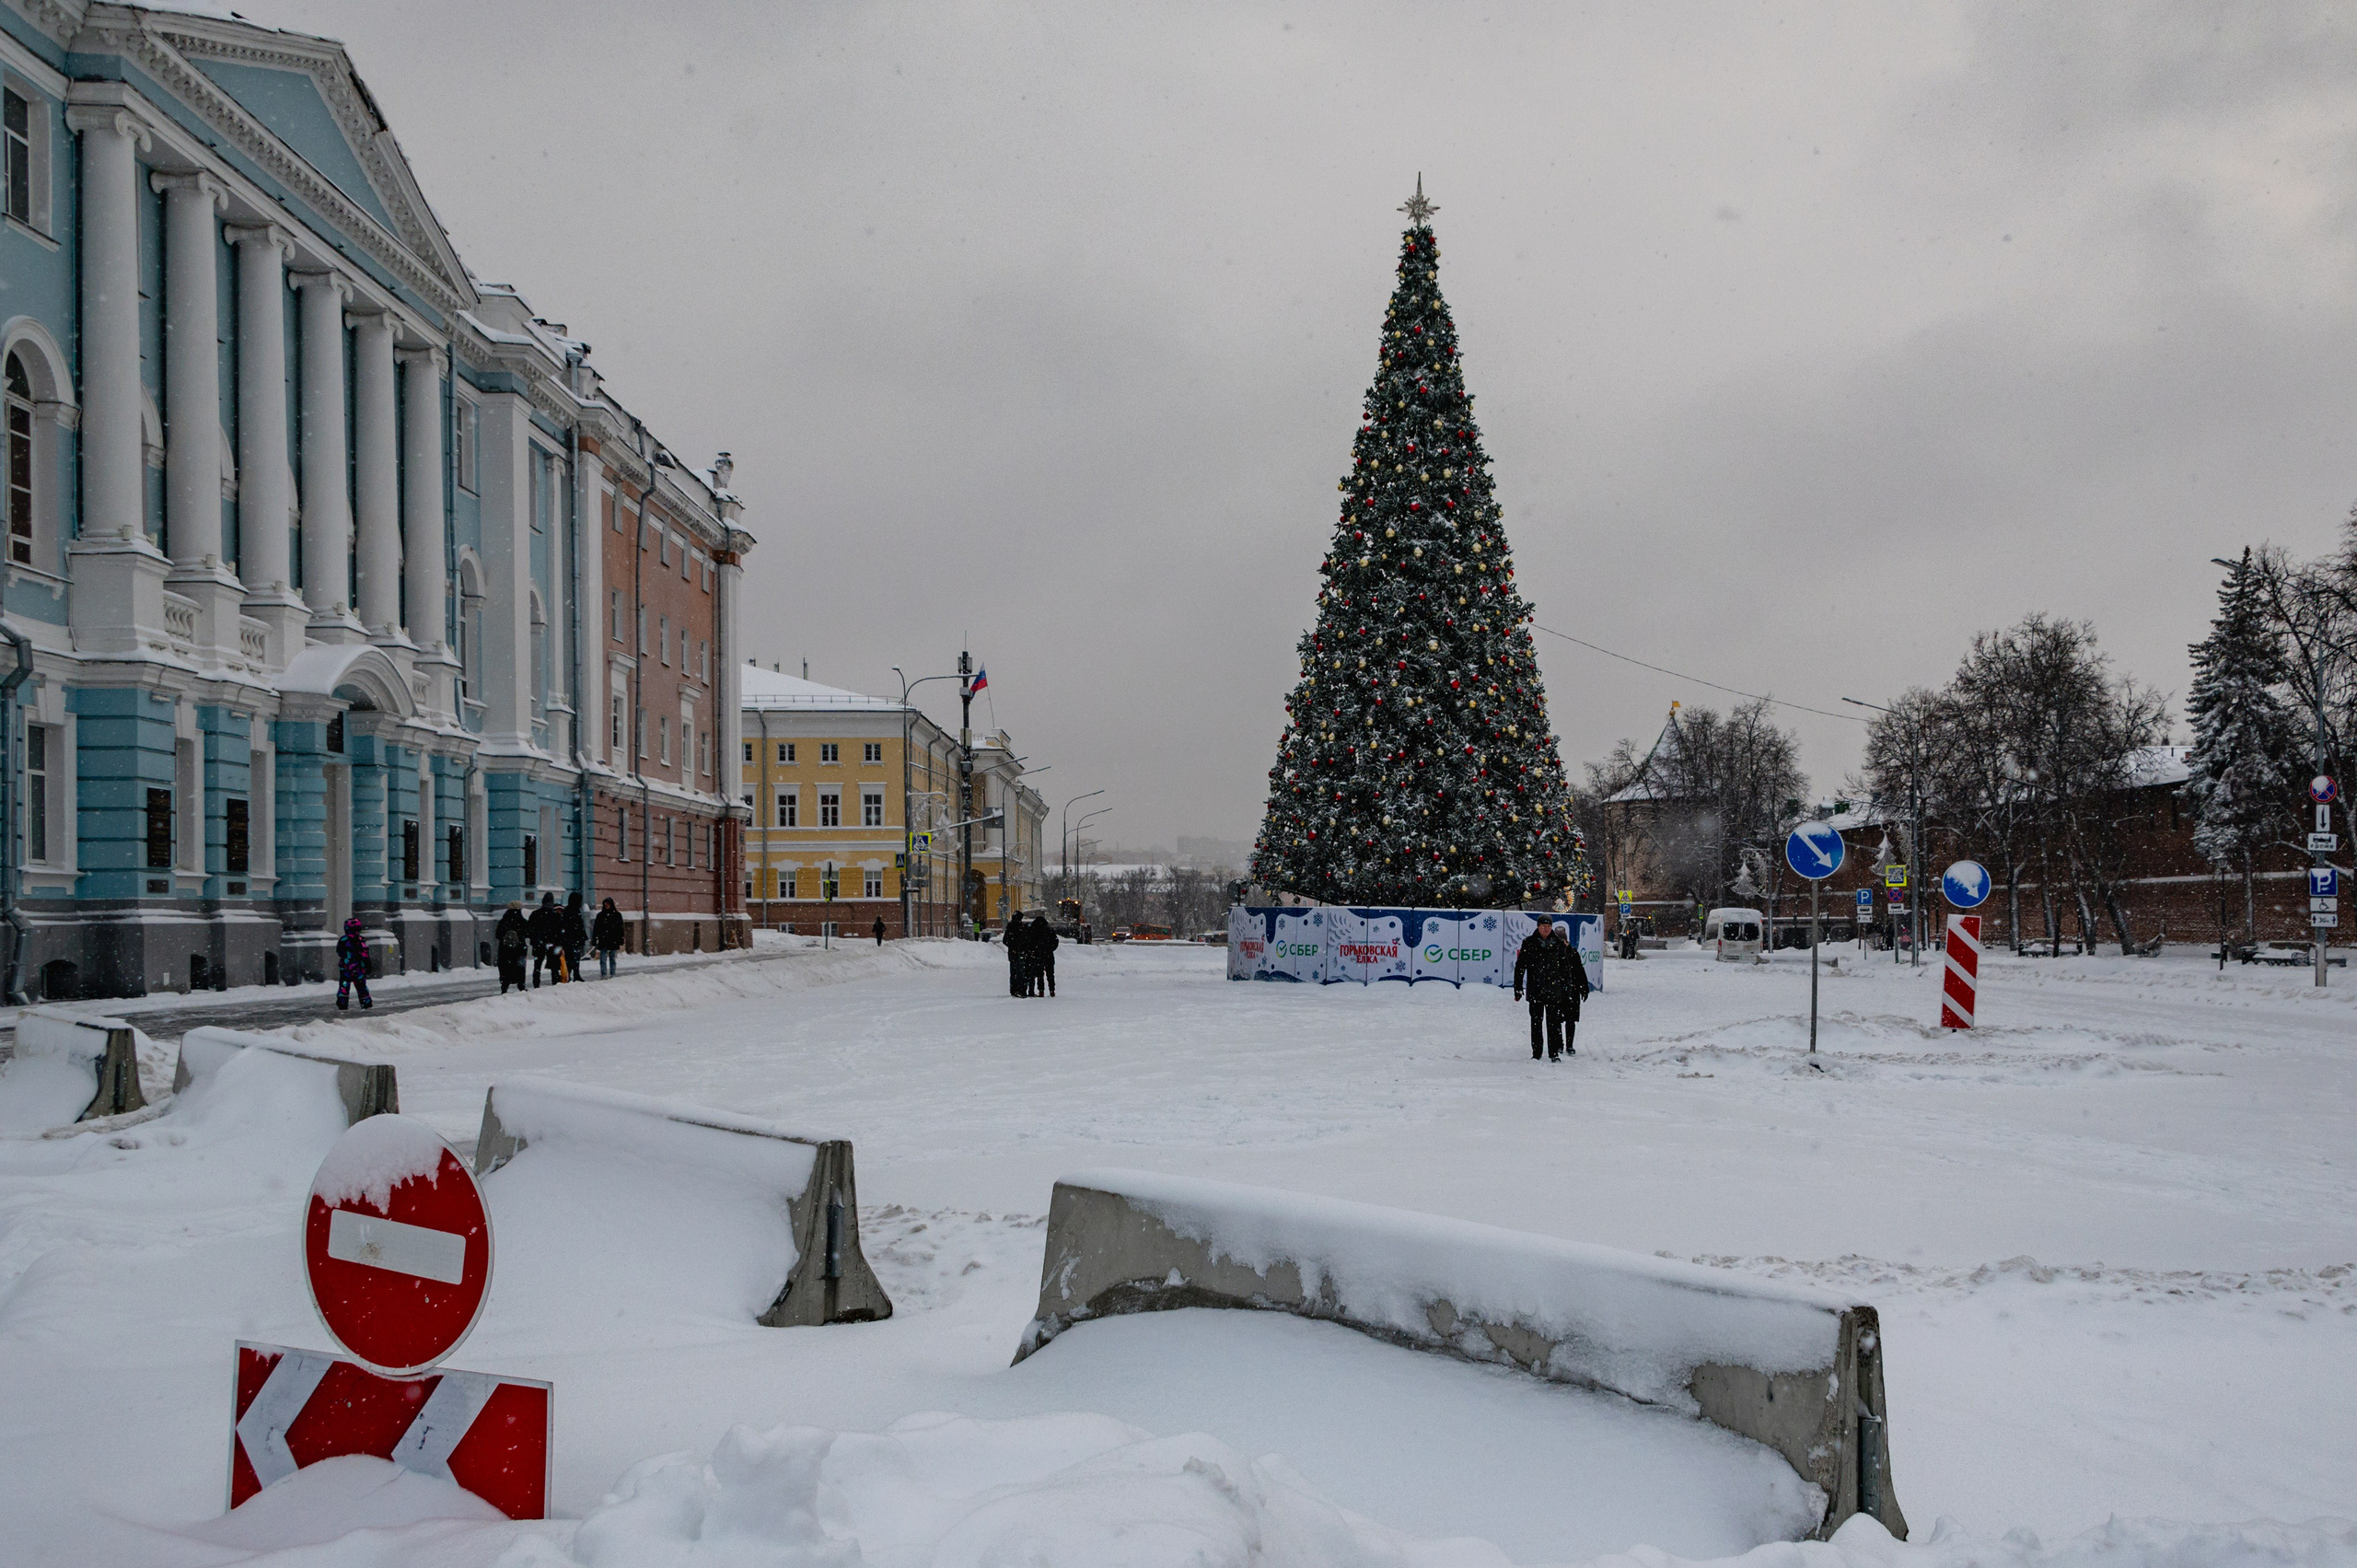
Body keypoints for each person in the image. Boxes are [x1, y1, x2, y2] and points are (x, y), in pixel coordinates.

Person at [1512, 914, 1586, 1062]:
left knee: (1553, 1023)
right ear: (1538, 927)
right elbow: (1520, 966)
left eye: (1548, 926)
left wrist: (1566, 989)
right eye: (1543, 926)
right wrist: (1518, 987)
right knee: (1536, 1022)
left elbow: (1565, 969)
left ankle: (1554, 1053)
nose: (1545, 929)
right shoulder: (1529, 943)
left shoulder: (1558, 944)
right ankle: (1537, 1052)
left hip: (1554, 990)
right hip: (1536, 989)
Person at [334, 915, 374, 1011]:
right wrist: (367, 964)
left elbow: (339, 952)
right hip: (358, 967)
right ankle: (365, 1002)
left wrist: (347, 958)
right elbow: (365, 954)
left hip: (346, 967)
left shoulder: (343, 940)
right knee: (361, 986)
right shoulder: (361, 940)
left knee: (344, 985)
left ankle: (342, 1002)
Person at [528, 891, 563, 986]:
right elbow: (559, 931)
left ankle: (536, 983)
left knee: (537, 965)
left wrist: (535, 940)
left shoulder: (535, 914)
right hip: (552, 943)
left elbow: (530, 929)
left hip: (538, 943)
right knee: (554, 966)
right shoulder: (555, 915)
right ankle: (555, 982)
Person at [495, 902, 529, 993]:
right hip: (520, 949)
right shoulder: (522, 921)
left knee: (505, 968)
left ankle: (504, 987)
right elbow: (527, 933)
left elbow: (498, 935)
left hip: (505, 949)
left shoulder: (503, 921)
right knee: (520, 967)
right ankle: (521, 986)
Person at [593, 896, 626, 979]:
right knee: (603, 959)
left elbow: (620, 928)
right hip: (603, 939)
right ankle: (604, 974)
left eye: (608, 904)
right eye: (605, 904)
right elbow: (596, 928)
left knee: (612, 958)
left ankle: (613, 974)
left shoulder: (617, 915)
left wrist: (621, 939)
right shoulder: (600, 915)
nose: (606, 905)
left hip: (613, 939)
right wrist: (595, 938)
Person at [561, 891, 589, 982]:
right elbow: (577, 925)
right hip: (572, 938)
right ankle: (572, 974)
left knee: (573, 958)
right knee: (573, 958)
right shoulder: (573, 911)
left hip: (571, 938)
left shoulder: (570, 910)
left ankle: (574, 974)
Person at [1033, 913, 1060, 997]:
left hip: (1038, 955)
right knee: (1050, 974)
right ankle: (1052, 990)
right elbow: (1055, 941)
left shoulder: (1034, 931)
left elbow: (1031, 943)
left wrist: (1035, 950)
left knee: (1040, 974)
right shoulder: (1049, 930)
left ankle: (1041, 991)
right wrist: (1050, 949)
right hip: (1049, 955)